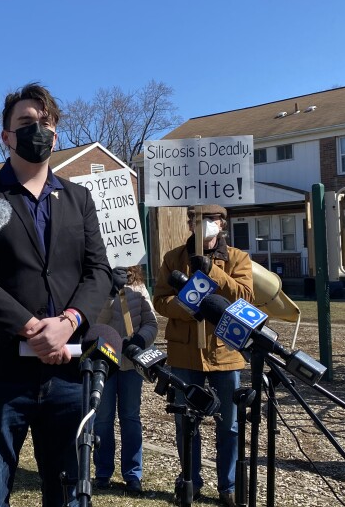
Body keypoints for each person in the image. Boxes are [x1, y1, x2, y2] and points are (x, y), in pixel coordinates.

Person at [0, 82, 112, 506]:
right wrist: (30, 328)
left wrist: (69, 323)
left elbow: (99, 272)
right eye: (25, 122)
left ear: (56, 134)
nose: (37, 129)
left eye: (45, 123)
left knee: (69, 489)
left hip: (68, 374)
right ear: (5, 135)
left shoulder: (79, 199)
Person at [152, 204, 253, 507]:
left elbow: (246, 297)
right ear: (190, 224)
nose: (204, 225)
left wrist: (213, 272)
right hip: (185, 354)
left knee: (230, 424)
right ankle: (189, 482)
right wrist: (184, 307)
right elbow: (160, 300)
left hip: (225, 353)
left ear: (222, 224)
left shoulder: (238, 258)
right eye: (197, 219)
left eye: (211, 219)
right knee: (186, 422)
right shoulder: (173, 258)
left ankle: (229, 486)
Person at [92, 265, 159, 494]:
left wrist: (140, 340)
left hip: (130, 365)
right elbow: (93, 323)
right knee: (102, 418)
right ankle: (102, 472)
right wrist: (110, 293)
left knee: (130, 418)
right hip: (104, 361)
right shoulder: (98, 284)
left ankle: (133, 474)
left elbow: (151, 323)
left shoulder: (139, 288)